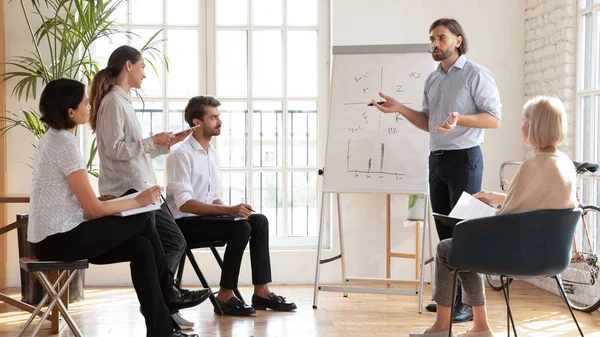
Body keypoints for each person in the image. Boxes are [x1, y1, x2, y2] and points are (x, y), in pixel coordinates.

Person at [29, 79, 210, 337]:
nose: (90, 106)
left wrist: (126, 200)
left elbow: (84, 204)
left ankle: (161, 330)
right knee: (146, 219)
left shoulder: (54, 140)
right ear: (70, 112)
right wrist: (138, 201)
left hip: (56, 237)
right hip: (59, 240)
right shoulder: (65, 145)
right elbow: (92, 210)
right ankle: (169, 294)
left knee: (142, 246)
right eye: (85, 103)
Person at [409, 96, 577, 337]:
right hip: (551, 256)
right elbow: (540, 203)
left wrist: (484, 216)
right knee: (465, 249)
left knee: (449, 249)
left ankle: (442, 327)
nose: (522, 127)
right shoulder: (565, 164)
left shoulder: (531, 166)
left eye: (525, 121)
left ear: (535, 126)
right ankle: (480, 327)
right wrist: (497, 197)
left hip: (520, 255)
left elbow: (507, 218)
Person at [372, 18, 501, 322]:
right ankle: (450, 303)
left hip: (465, 159)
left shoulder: (476, 74)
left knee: (464, 232)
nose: (434, 44)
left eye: (441, 38)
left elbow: (494, 119)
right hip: (438, 159)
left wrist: (462, 120)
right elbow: (428, 123)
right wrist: (400, 109)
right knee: (445, 234)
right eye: (432, 39)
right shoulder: (433, 80)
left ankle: (468, 305)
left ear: (458, 40)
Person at [89, 45, 201, 329]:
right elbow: (113, 150)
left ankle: (162, 301)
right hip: (130, 191)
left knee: (173, 241)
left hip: (141, 186)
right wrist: (152, 141)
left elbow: (133, 152)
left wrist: (164, 145)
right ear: (128, 65)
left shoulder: (123, 101)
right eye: (142, 67)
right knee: (170, 242)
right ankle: (164, 301)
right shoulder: (114, 101)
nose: (144, 74)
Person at [165, 96, 297, 316]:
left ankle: (261, 292)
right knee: (240, 226)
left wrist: (234, 213)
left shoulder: (211, 154)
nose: (220, 121)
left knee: (257, 221)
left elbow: (214, 196)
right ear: (197, 122)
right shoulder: (181, 154)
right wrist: (229, 212)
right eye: (213, 117)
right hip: (183, 224)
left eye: (219, 116)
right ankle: (225, 295)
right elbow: (185, 204)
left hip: (205, 220)